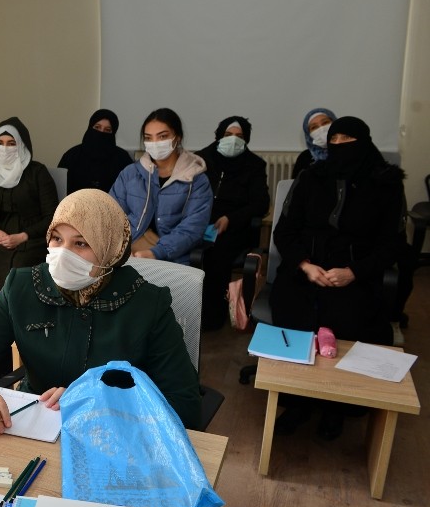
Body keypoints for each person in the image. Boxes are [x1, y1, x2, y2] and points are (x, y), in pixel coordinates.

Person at [0, 189, 202, 431]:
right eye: (56, 238)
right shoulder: (23, 286)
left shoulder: (148, 304)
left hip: (114, 434)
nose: (63, 253)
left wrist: (105, 403)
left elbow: (184, 404)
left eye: (81, 243)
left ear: (109, 249)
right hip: (35, 425)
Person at [270, 116, 405, 439]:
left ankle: (337, 407)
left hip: (355, 275)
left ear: (365, 142)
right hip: (307, 271)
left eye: (349, 141)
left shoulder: (385, 183)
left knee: (349, 320)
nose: (341, 147)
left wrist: (353, 272)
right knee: (294, 314)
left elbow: (393, 244)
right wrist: (305, 265)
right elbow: (284, 231)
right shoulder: (311, 177)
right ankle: (297, 400)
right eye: (336, 140)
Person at [0, 117, 59, 294]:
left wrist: (23, 236)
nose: (5, 148)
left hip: (32, 240)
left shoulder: (37, 173)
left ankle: (12, 318)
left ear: (21, 145)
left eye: (11, 143)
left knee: (17, 270)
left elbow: (52, 217)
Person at [109, 108, 213, 265]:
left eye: (163, 136)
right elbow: (111, 214)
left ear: (177, 137)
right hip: (129, 251)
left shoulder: (196, 180)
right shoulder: (130, 174)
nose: (155, 143)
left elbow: (192, 229)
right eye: (148, 138)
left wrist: (157, 252)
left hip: (173, 256)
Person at [196, 116, 270, 330]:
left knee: (216, 253)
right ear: (219, 136)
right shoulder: (201, 159)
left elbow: (260, 203)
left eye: (239, 136)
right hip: (201, 220)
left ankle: (212, 315)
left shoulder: (255, 165)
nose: (233, 140)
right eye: (228, 135)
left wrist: (231, 218)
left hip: (235, 226)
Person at [57, 109, 133, 194]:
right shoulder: (71, 156)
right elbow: (61, 190)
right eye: (97, 127)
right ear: (90, 127)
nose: (101, 132)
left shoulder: (123, 159)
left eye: (107, 130)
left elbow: (131, 192)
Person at [292, 108, 336, 179]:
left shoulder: (346, 151)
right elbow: (296, 186)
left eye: (325, 123)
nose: (322, 129)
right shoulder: (305, 157)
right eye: (314, 127)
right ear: (308, 135)